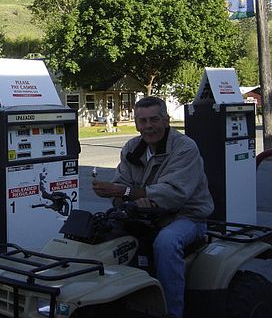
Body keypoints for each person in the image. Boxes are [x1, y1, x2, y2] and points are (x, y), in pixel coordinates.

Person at [92, 96, 214, 318]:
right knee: (99, 233)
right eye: (143, 121)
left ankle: (171, 312)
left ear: (166, 120)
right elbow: (121, 185)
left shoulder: (184, 147)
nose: (149, 126)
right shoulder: (132, 148)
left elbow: (173, 193)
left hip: (186, 217)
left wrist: (124, 193)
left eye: (154, 119)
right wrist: (119, 197)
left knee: (166, 242)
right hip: (143, 216)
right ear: (136, 124)